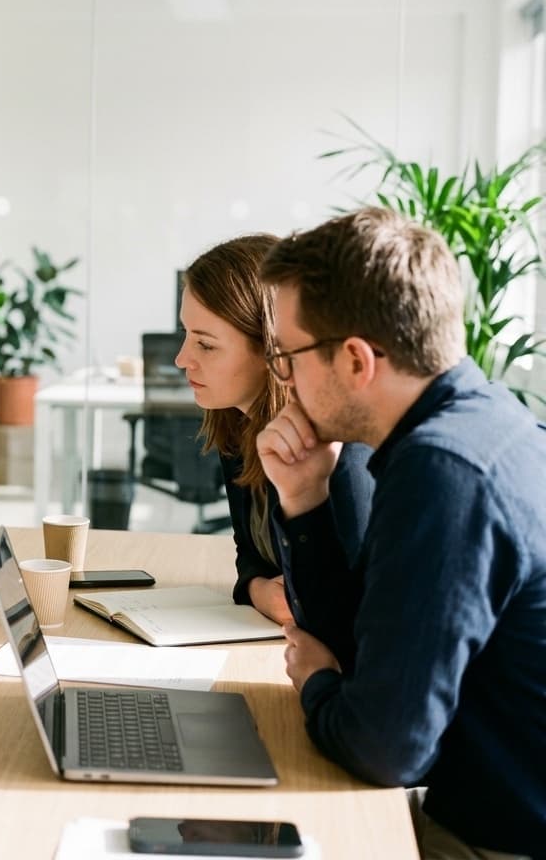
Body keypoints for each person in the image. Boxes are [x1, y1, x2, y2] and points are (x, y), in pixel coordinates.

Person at [258, 207, 546, 858]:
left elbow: (385, 747)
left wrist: (315, 686)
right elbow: (365, 647)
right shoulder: (482, 425)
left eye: (286, 356)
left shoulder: (445, 472)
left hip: (489, 840)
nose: (284, 379)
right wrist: (304, 497)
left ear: (356, 360)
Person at [174, 234, 371, 637]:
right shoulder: (239, 424)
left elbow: (358, 614)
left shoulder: (343, 452)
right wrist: (262, 592)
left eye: (205, 345)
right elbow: (250, 555)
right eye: (186, 335)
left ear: (272, 352)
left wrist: (288, 600)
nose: (181, 359)